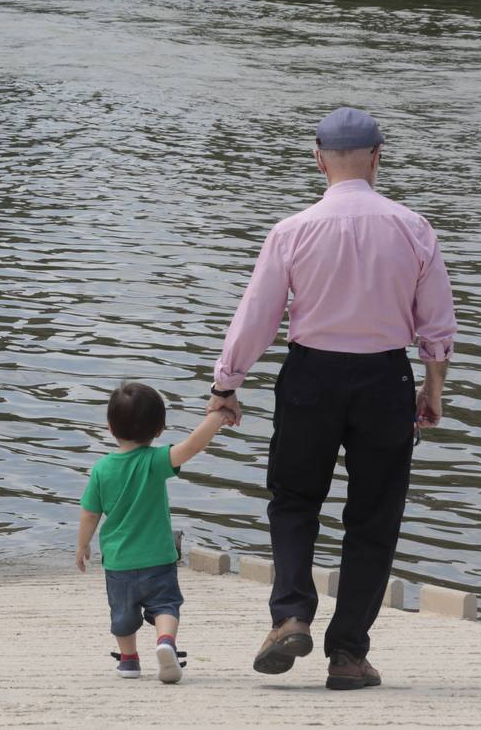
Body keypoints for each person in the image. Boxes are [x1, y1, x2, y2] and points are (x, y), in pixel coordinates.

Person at [208, 107, 456, 690]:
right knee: (373, 517)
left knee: (294, 501)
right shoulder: (413, 227)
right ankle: (347, 655)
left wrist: (227, 384)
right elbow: (437, 324)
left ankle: (292, 613)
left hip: (310, 378)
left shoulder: (292, 230)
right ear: (378, 156)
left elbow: (257, 317)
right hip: (384, 381)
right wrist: (433, 387)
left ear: (318, 159)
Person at [76, 383, 229, 683]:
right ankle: (165, 642)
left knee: (122, 615)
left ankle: (129, 661)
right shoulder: (156, 461)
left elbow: (90, 513)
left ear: (109, 427)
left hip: (118, 562)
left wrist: (83, 546)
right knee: (166, 605)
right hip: (158, 558)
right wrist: (217, 415)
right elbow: (193, 446)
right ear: (159, 430)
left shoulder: (101, 469)